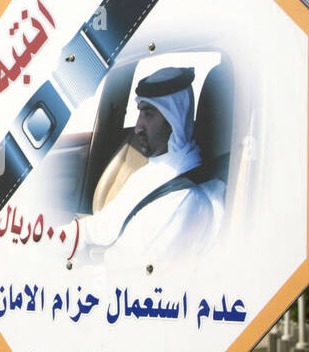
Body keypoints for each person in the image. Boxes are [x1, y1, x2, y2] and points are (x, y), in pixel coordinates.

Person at [75, 66, 218, 267]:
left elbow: (129, 272)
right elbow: (104, 225)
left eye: (149, 115)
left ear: (172, 121)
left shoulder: (184, 198)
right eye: (140, 113)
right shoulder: (155, 171)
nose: (138, 127)